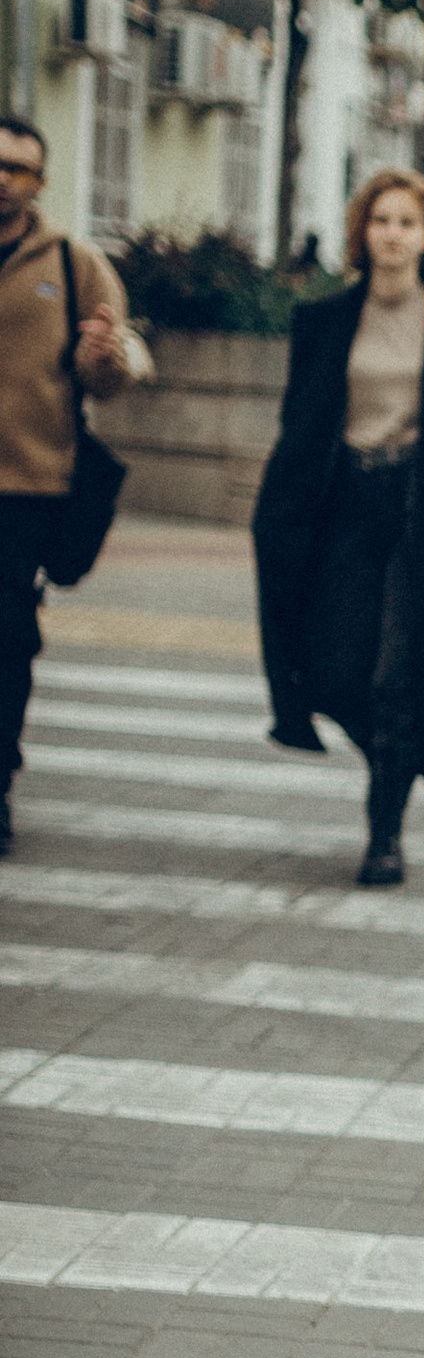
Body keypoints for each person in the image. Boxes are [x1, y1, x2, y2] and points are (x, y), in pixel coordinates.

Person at [253, 169, 424, 887]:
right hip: (343, 504)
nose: (393, 234)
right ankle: (395, 752)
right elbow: (300, 422)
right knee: (334, 672)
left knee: (399, 676)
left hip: (422, 515)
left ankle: (385, 834)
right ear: (361, 232)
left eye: (407, 222)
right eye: (380, 220)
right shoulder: (326, 320)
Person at [0, 114, 135, 857]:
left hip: (28, 487)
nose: (3, 178)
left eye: (18, 168)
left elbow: (112, 379)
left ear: (40, 183)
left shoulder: (72, 262)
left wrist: (102, 356)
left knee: (7, 645)